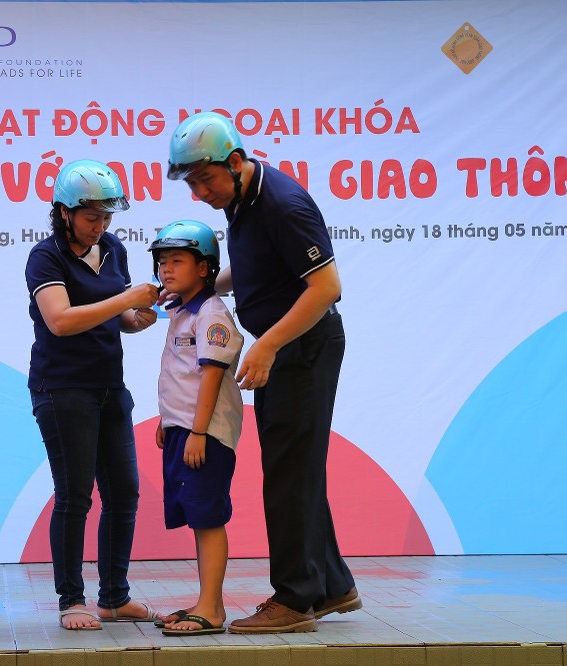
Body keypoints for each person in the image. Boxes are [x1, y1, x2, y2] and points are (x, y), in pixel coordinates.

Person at [166, 112, 361, 634]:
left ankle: (295, 600)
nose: (200, 192)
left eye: (206, 179)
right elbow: (257, 270)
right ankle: (333, 585)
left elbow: (326, 288)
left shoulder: (282, 203)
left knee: (288, 474)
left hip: (303, 348)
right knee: (297, 468)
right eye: (192, 183)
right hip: (286, 349)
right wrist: (199, 289)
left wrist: (268, 345)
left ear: (235, 161)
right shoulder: (241, 201)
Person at [24, 159, 162, 630]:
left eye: (107, 217)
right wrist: (126, 300)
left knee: (125, 492)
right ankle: (71, 600)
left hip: (109, 387)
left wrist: (139, 317)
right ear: (63, 212)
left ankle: (114, 597)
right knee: (74, 496)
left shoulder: (114, 248)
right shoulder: (46, 257)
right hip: (62, 389)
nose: (100, 226)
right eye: (91, 217)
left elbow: (117, 316)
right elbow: (60, 321)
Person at [148, 221, 243, 636]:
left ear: (205, 267)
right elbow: (179, 376)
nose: (166, 270)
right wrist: (169, 422)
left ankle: (212, 609)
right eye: (162, 262)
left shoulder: (212, 313)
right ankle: (209, 604)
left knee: (208, 518)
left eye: (177, 261)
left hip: (206, 434)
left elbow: (210, 377)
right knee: (198, 518)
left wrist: (198, 432)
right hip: (185, 430)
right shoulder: (181, 311)